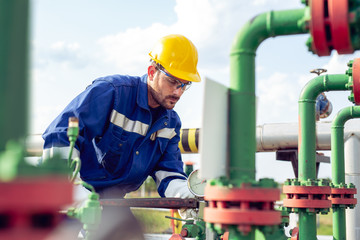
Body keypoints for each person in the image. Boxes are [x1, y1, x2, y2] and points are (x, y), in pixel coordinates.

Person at [42, 34, 201, 239]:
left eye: (185, 85)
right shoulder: (112, 93)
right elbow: (59, 136)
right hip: (68, 196)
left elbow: (169, 174)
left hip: (110, 204)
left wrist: (190, 197)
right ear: (152, 72)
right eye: (173, 82)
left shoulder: (170, 123)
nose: (178, 92)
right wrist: (76, 194)